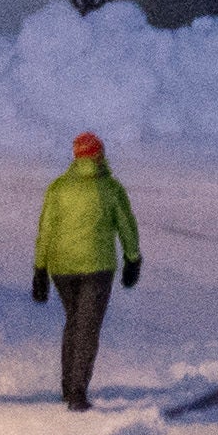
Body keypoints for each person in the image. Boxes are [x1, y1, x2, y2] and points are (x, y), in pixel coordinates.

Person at [33, 129, 145, 406]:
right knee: (87, 327)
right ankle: (77, 390)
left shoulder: (58, 187)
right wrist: (133, 259)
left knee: (74, 322)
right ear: (100, 156)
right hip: (97, 267)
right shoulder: (111, 188)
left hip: (62, 269)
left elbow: (45, 230)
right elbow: (126, 226)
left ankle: (68, 385)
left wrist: (40, 269)